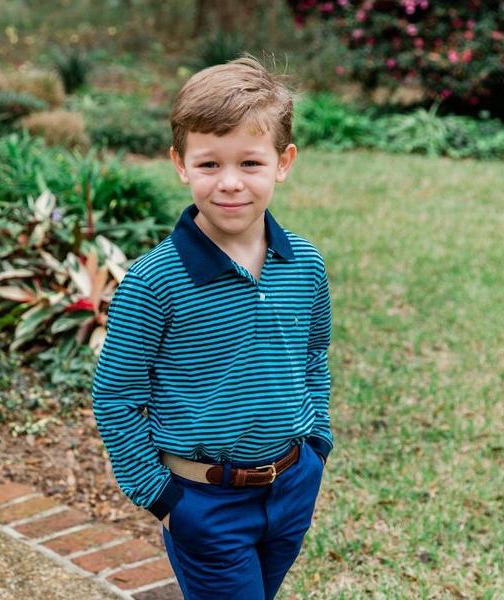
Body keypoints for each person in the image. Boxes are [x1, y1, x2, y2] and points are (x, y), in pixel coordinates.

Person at [91, 54, 334, 600]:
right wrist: (162, 500)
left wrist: (317, 445)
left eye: (250, 163)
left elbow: (313, 358)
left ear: (283, 161)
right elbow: (116, 395)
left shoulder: (306, 265)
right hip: (204, 501)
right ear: (180, 163)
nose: (229, 184)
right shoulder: (155, 281)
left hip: (292, 484)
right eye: (208, 165)